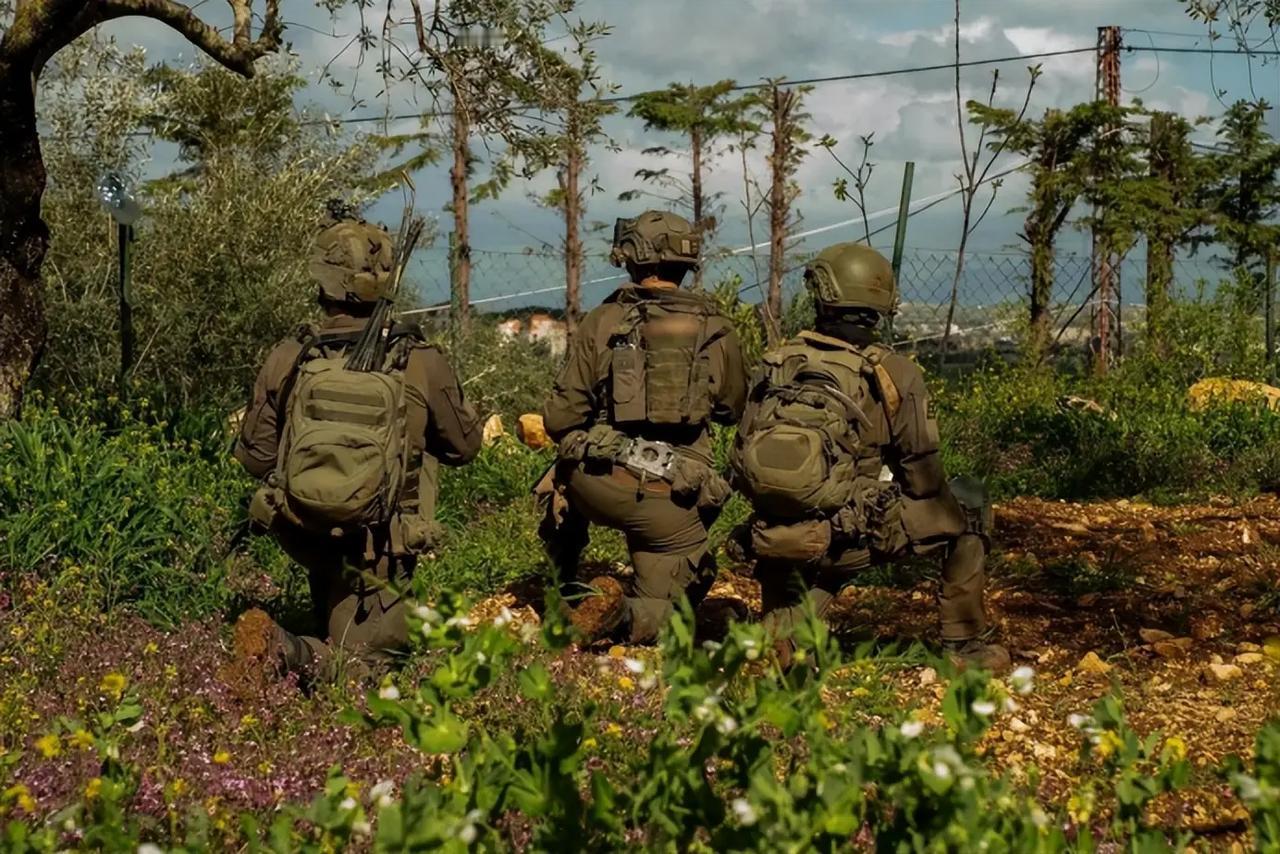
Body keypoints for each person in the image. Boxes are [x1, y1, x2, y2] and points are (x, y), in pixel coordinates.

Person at [729, 242, 1008, 671]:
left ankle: (784, 634)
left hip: (773, 535)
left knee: (822, 533)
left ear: (821, 294)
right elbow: (924, 482)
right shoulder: (893, 372)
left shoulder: (775, 363)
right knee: (968, 503)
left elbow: (739, 457)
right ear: (881, 302)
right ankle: (965, 646)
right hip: (846, 536)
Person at [230, 212, 482, 686]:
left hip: (301, 527)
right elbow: (464, 448)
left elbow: (256, 457)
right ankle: (285, 650)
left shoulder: (290, 354)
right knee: (369, 671)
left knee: (337, 597)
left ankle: (320, 627)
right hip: (380, 542)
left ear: (320, 282)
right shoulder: (420, 359)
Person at [537, 210, 747, 644]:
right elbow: (733, 409)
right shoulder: (716, 326)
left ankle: (564, 589)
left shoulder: (602, 320)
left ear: (633, 257)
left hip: (596, 483)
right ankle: (622, 615)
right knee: (669, 603)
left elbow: (560, 420)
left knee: (561, 469)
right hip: (669, 499)